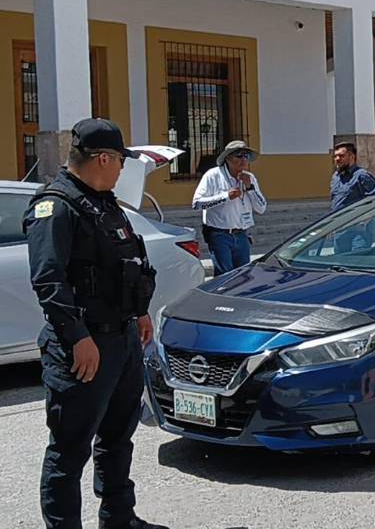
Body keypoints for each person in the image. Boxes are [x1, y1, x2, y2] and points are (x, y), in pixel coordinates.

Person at [24, 118, 167, 529]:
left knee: (118, 438)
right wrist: (77, 338)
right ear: (103, 158)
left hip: (121, 339)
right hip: (83, 346)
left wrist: (137, 312)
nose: (123, 169)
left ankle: (119, 518)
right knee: (69, 449)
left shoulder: (103, 201)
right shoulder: (56, 206)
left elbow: (121, 264)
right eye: (121, 160)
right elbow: (49, 280)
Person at [192, 140, 267, 275]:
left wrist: (250, 188)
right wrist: (225, 196)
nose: (244, 159)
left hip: (242, 234)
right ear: (228, 158)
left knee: (243, 276)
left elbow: (261, 208)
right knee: (224, 276)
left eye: (246, 156)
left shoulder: (250, 178)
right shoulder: (213, 175)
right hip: (220, 235)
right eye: (239, 155)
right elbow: (197, 204)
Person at [330, 142, 375, 212]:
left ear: (352, 157)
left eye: (341, 156)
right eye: (335, 156)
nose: (337, 159)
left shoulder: (362, 176)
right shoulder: (336, 176)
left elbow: (374, 202)